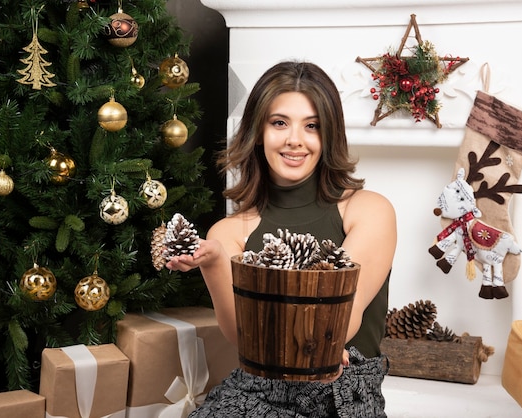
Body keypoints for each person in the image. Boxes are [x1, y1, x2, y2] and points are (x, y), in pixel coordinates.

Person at [166, 61, 397, 417]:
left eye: (312, 126)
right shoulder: (229, 232)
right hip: (257, 390)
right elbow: (245, 340)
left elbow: (341, 321)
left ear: (329, 135)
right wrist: (213, 264)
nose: (294, 140)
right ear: (258, 131)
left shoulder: (369, 211)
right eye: (279, 123)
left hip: (342, 393)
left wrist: (315, 346)